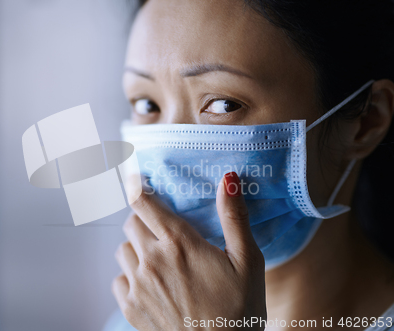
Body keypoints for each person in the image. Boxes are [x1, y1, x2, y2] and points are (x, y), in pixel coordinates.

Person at [103, 0, 394, 330]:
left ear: (366, 122)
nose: (167, 160)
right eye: (147, 103)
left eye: (224, 104)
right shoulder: (142, 321)